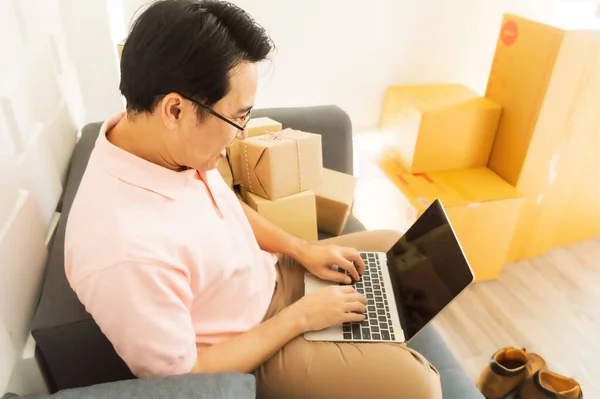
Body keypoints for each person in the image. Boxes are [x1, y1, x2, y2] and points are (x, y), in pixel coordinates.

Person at [64, 1, 442, 398]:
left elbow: (224, 207)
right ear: (175, 109)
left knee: (395, 249)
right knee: (421, 387)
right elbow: (186, 374)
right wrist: (300, 318)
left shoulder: (159, 143)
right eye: (237, 118)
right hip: (254, 350)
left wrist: (303, 250)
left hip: (271, 279)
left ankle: (378, 336)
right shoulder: (122, 251)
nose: (242, 134)